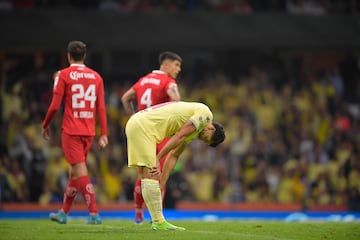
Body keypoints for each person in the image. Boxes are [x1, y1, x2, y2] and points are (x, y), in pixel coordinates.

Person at [125, 101, 225, 230]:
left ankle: (157, 221)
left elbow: (174, 155)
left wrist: (163, 183)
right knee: (151, 173)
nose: (202, 139)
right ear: (211, 128)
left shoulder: (194, 131)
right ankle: (158, 222)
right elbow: (179, 136)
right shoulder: (206, 116)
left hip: (139, 124)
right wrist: (158, 157)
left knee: (148, 174)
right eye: (206, 138)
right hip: (144, 127)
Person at [42, 40, 108, 225]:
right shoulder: (96, 77)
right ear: (84, 56)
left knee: (80, 170)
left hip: (71, 131)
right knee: (74, 174)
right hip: (88, 131)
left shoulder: (63, 75)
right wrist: (103, 133)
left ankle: (94, 214)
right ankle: (63, 213)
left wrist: (45, 124)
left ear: (68, 56)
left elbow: (55, 106)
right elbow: (101, 108)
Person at [121, 51, 182, 224]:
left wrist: (133, 116)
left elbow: (125, 98)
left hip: (141, 134)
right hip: (158, 134)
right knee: (159, 176)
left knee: (143, 176)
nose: (178, 69)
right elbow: (177, 100)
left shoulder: (143, 80)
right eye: (176, 65)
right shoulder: (168, 81)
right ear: (166, 65)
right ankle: (157, 217)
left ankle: (138, 214)